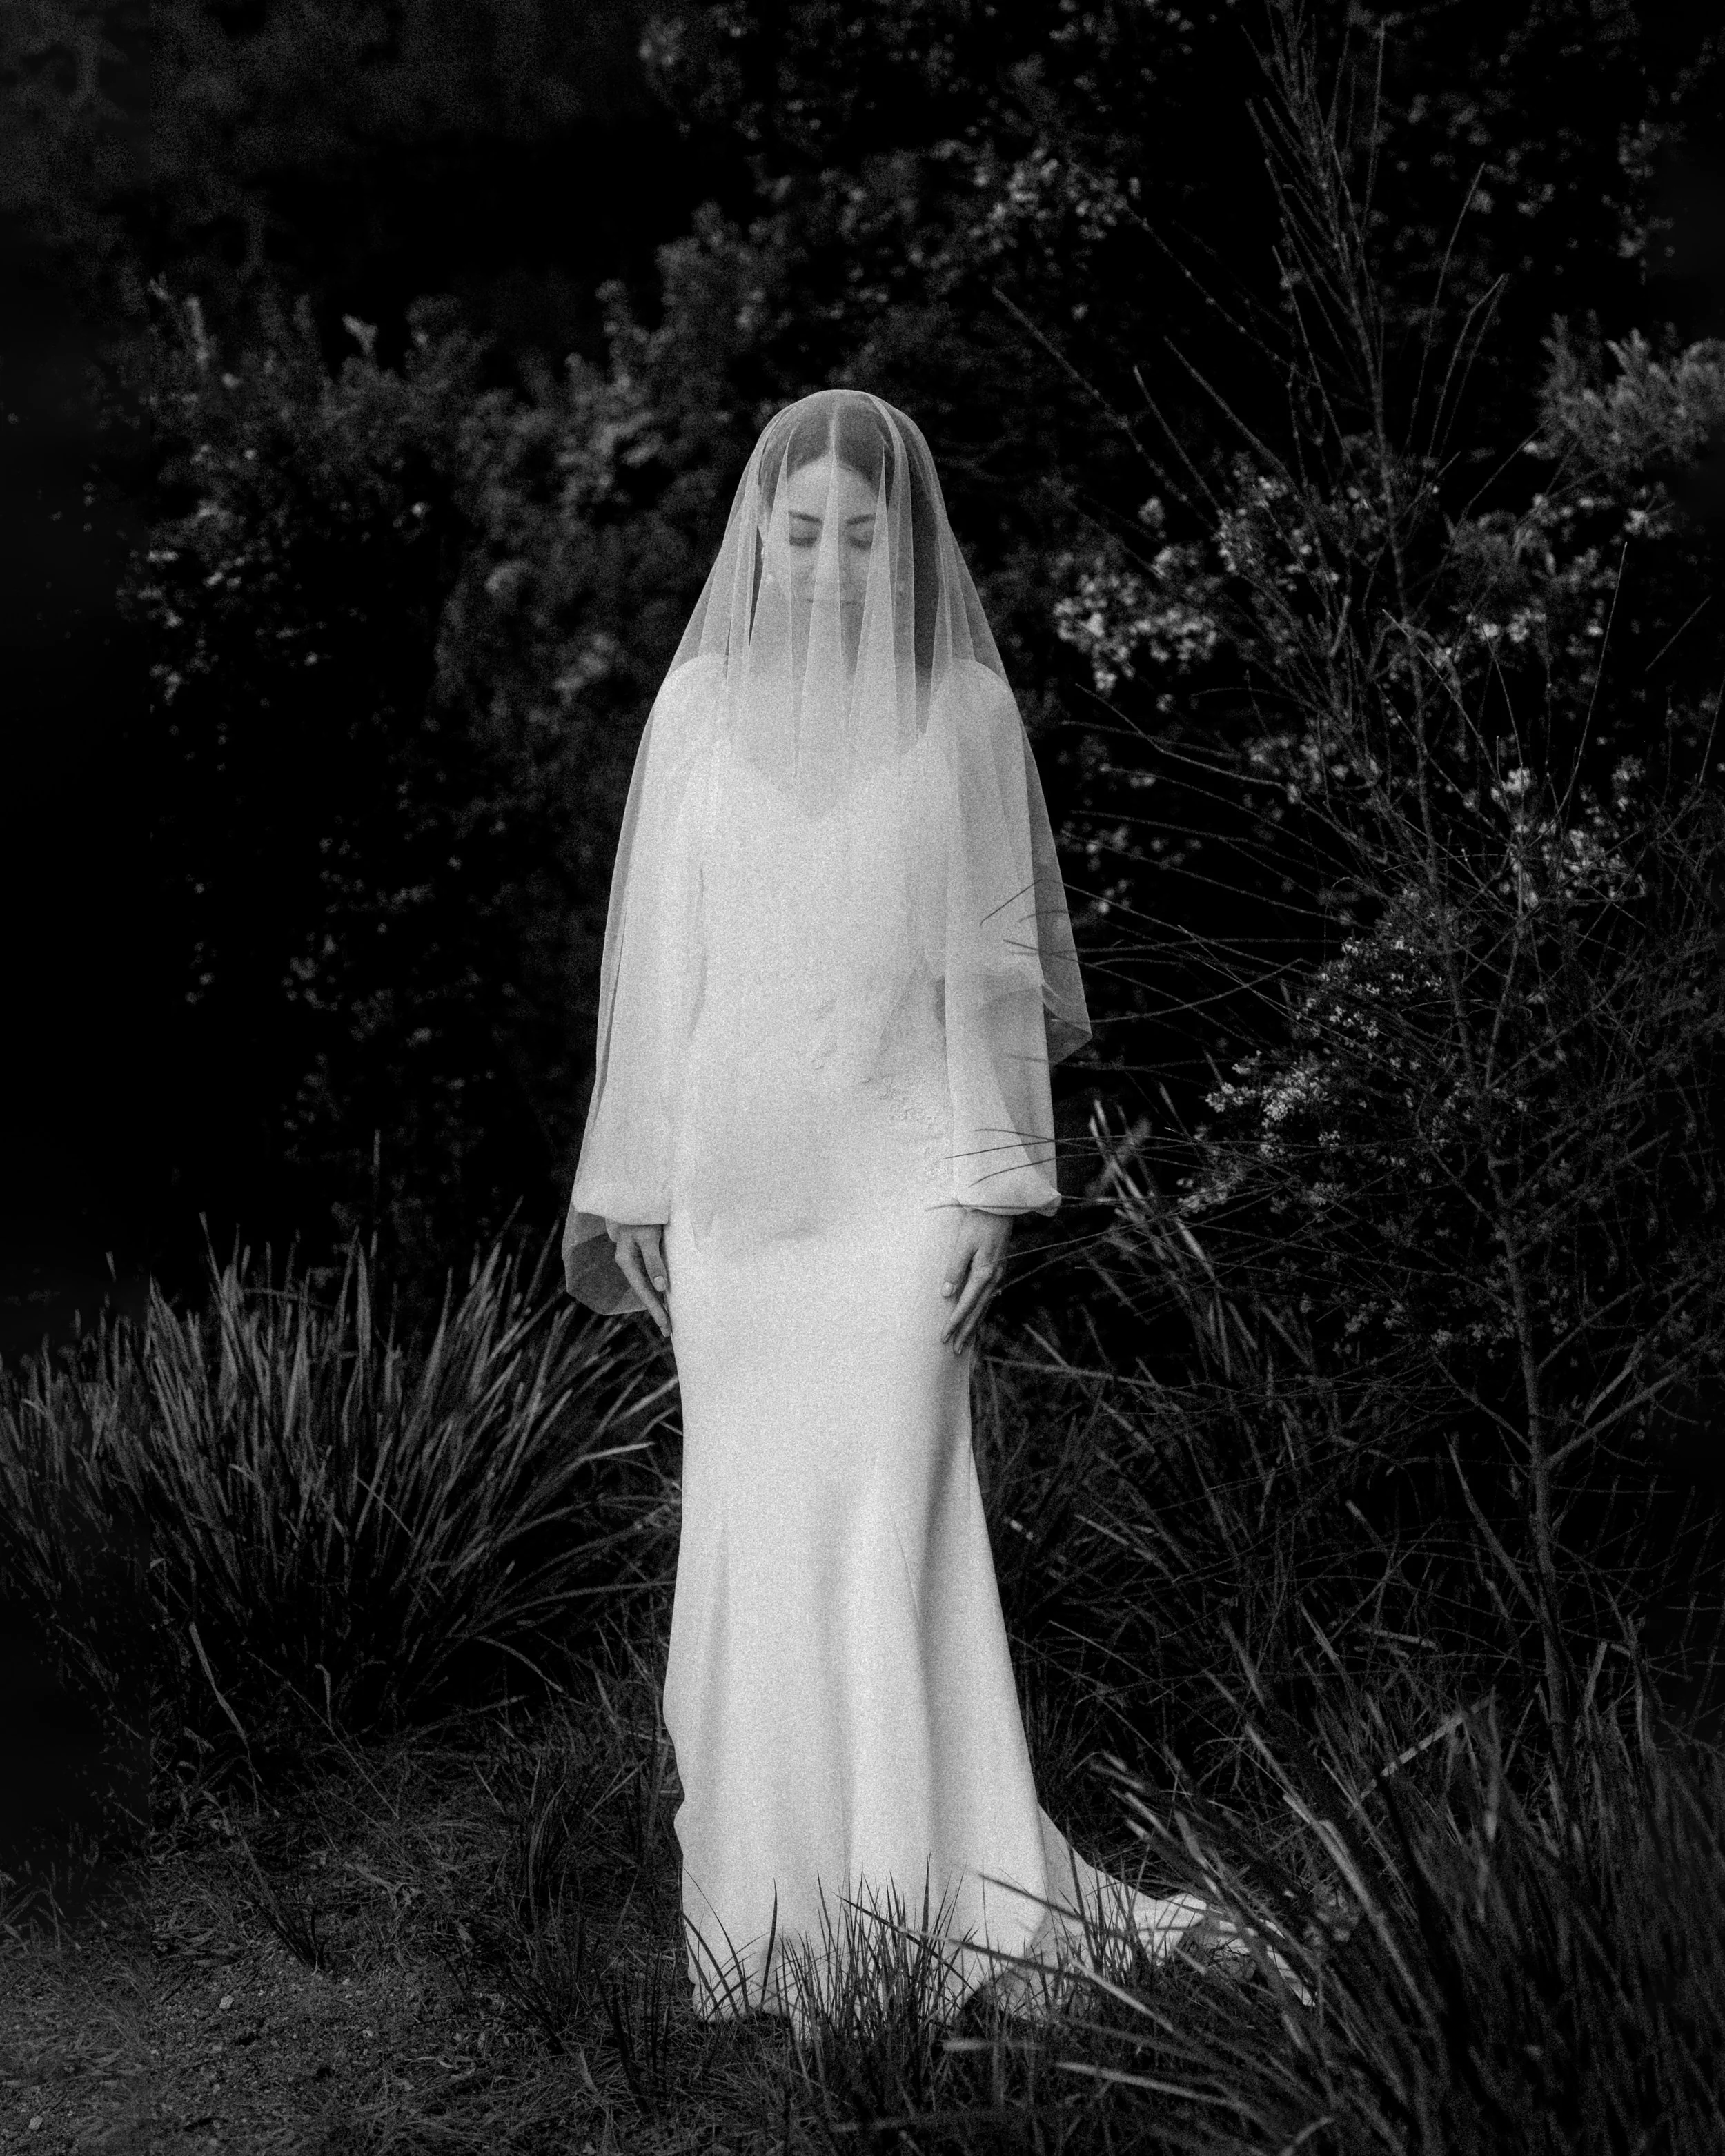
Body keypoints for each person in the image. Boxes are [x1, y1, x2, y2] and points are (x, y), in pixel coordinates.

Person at [560, 388, 1244, 2029]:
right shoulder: (701, 715)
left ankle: (916, 1915)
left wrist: (990, 1197)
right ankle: (774, 1925)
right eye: (798, 534)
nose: (826, 563)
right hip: (733, 1205)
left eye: (859, 536)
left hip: (892, 1205)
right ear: (759, 540)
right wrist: (637, 1185)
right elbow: (658, 972)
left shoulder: (961, 720)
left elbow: (994, 988)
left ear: (904, 545)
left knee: (885, 1540)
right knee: (750, 1543)